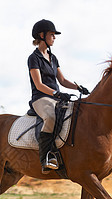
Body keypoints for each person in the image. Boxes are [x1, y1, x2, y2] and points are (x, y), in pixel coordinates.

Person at [28, 19, 89, 174]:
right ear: (42, 35)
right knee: (50, 117)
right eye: (52, 34)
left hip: (55, 98)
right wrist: (56, 93)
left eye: (54, 35)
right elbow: (38, 84)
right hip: (40, 98)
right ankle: (46, 158)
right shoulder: (33, 58)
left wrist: (77, 87)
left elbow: (61, 80)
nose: (54, 38)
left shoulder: (53, 58)